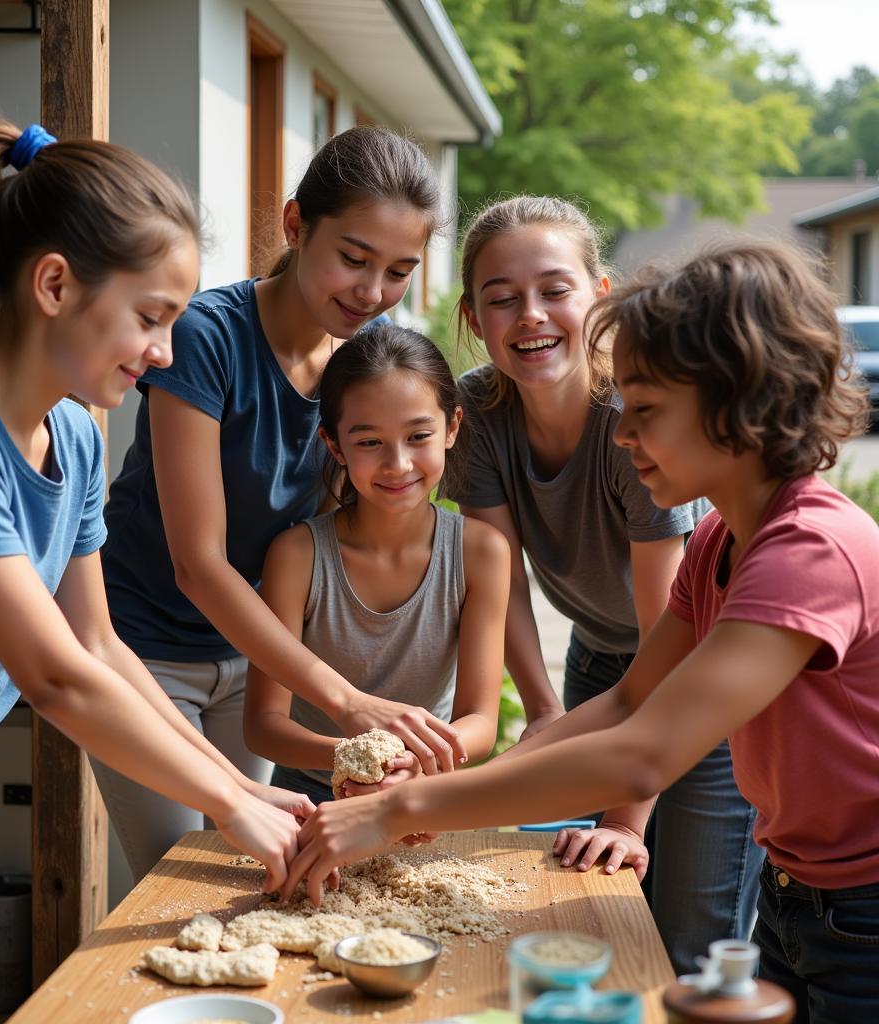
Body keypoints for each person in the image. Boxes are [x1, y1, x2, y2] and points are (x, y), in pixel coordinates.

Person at [283, 239, 878, 1024]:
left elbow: (641, 756)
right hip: (797, 892)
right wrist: (422, 796)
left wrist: (399, 811)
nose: (624, 433)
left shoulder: (809, 551)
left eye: (647, 409)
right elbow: (630, 700)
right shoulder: (718, 541)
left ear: (736, 400)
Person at [0, 121, 314, 1024]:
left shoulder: (71, 429)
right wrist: (225, 801)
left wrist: (242, 783)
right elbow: (56, 677)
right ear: (56, 284)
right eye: (151, 317)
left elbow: (99, 642)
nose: (165, 352)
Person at [96, 126, 465, 883]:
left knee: (250, 872)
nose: (372, 292)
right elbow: (198, 564)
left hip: (254, 654)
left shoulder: (370, 348)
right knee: (174, 878)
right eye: (353, 258)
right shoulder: (207, 336)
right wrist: (344, 700)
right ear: (297, 226)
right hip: (146, 646)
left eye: (399, 270)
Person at [442, 196, 760, 972]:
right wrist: (545, 710)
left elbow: (669, 644)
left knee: (684, 945)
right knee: (577, 915)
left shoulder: (631, 420)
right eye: (501, 297)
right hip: (597, 667)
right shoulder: (478, 413)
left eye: (554, 288)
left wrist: (624, 817)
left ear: (602, 296)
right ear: (473, 317)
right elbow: (499, 574)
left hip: (703, 680)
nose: (530, 315)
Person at [244, 324, 509, 805]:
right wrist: (358, 760)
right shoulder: (298, 556)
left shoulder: (480, 552)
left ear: (451, 428)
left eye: (419, 435)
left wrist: (406, 769)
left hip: (422, 795)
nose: (399, 464)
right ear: (334, 444)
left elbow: (481, 721)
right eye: (369, 442)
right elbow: (264, 727)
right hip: (309, 800)